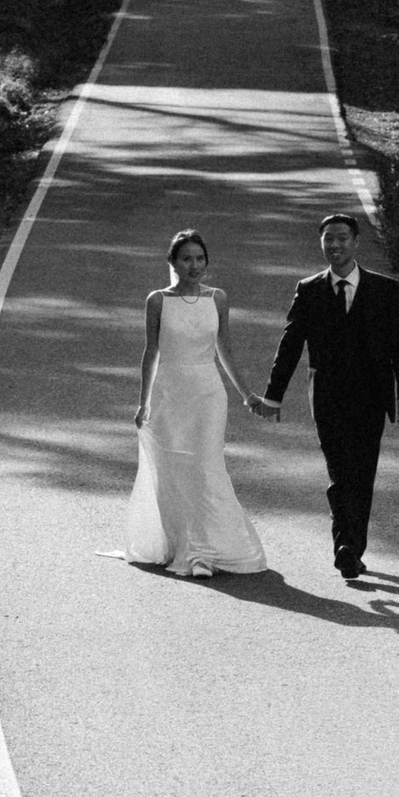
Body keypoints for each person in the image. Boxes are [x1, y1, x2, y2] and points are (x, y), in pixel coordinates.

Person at [257, 213, 399, 580]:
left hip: (373, 397)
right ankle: (347, 547)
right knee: (340, 471)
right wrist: (273, 396)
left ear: (356, 242)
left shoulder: (385, 289)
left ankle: (350, 545)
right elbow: (290, 344)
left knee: (363, 473)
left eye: (342, 238)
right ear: (322, 243)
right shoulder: (309, 289)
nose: (335, 245)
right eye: (328, 239)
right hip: (327, 396)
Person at [126, 230, 267, 577]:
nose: (194, 265)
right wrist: (143, 402)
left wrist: (246, 394)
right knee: (175, 470)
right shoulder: (157, 300)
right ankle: (183, 547)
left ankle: (204, 551)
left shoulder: (217, 298)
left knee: (205, 466)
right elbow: (151, 352)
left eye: (200, 258)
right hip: (168, 393)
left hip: (207, 393)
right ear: (173, 263)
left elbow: (225, 348)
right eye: (186, 258)